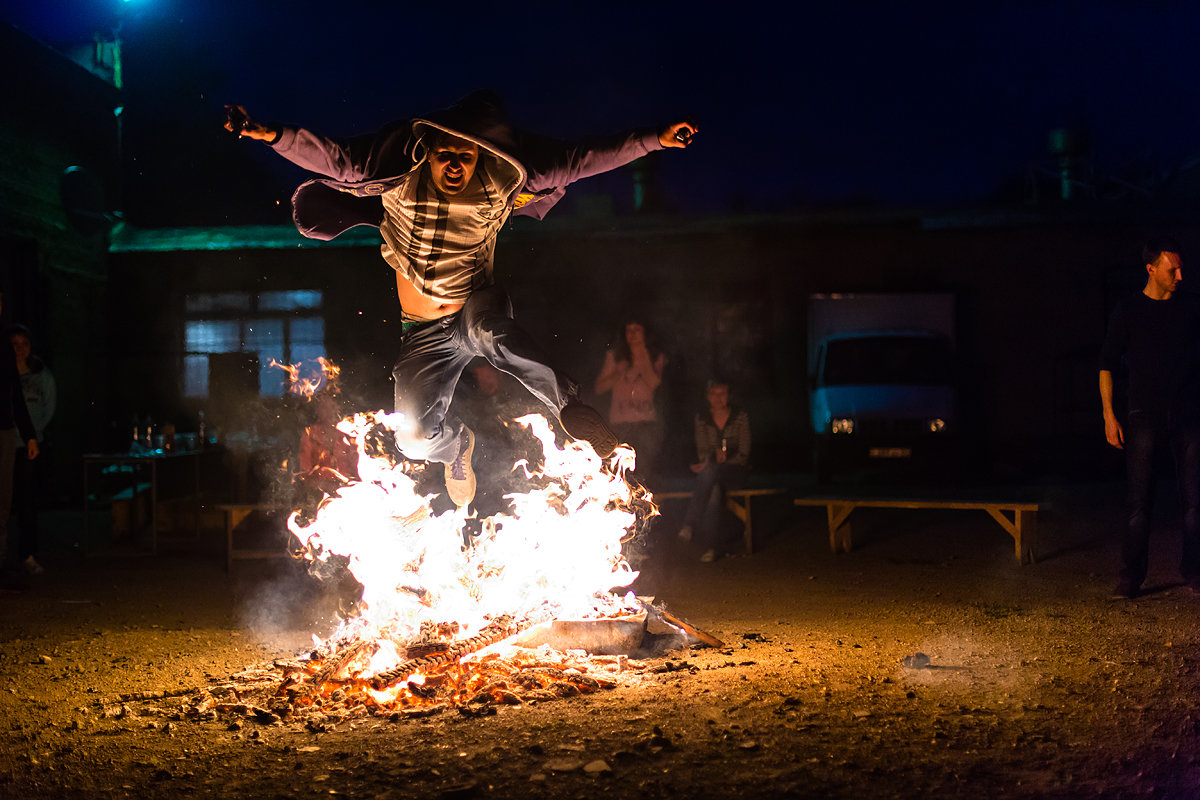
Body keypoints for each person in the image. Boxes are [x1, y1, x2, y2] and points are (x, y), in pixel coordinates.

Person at [225, 91, 695, 508]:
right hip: (422, 332)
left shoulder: (504, 181)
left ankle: (566, 404)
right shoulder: (394, 176)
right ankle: (455, 448)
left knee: (488, 332)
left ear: (480, 155)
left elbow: (585, 158)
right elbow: (334, 159)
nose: (454, 165)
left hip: (477, 309)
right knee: (412, 438)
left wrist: (654, 138)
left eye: (464, 157)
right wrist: (272, 135)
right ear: (427, 151)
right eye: (444, 154)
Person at [1099, 237, 1200, 600]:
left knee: (1194, 503)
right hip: (1144, 415)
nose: (1180, 275)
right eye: (1172, 269)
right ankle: (1131, 578)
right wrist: (1110, 416)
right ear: (1151, 269)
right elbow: (1107, 364)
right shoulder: (1129, 309)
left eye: (1181, 268)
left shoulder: (1190, 311)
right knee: (1139, 503)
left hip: (1189, 417)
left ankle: (1193, 571)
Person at [677, 379, 750, 562]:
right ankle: (713, 547)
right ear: (708, 396)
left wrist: (726, 459)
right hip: (711, 475)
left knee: (709, 473)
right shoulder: (702, 418)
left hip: (735, 471)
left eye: (722, 394)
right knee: (714, 490)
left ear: (729, 396)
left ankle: (689, 524)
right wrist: (712, 458)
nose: (718, 398)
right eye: (713, 394)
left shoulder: (740, 416)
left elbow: (744, 453)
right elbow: (703, 453)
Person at [594, 320, 666, 481]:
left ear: (645, 333)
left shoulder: (655, 357)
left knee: (643, 468)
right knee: (617, 466)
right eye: (629, 330)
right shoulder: (615, 356)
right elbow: (599, 387)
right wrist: (618, 372)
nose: (632, 334)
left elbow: (653, 382)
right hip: (620, 423)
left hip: (645, 423)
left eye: (637, 329)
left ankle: (642, 502)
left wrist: (642, 354)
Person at [0, 295, 39, 592]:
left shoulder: (4, 349)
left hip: (4, 430)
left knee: (4, 500)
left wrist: (28, 434)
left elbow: (15, 396)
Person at [10, 325, 55, 575]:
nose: (19, 349)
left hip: (29, 444)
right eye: (14, 344)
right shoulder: (7, 375)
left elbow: (49, 406)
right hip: (7, 441)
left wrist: (33, 433)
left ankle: (28, 554)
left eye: (23, 344)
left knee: (27, 501)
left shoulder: (41, 375)